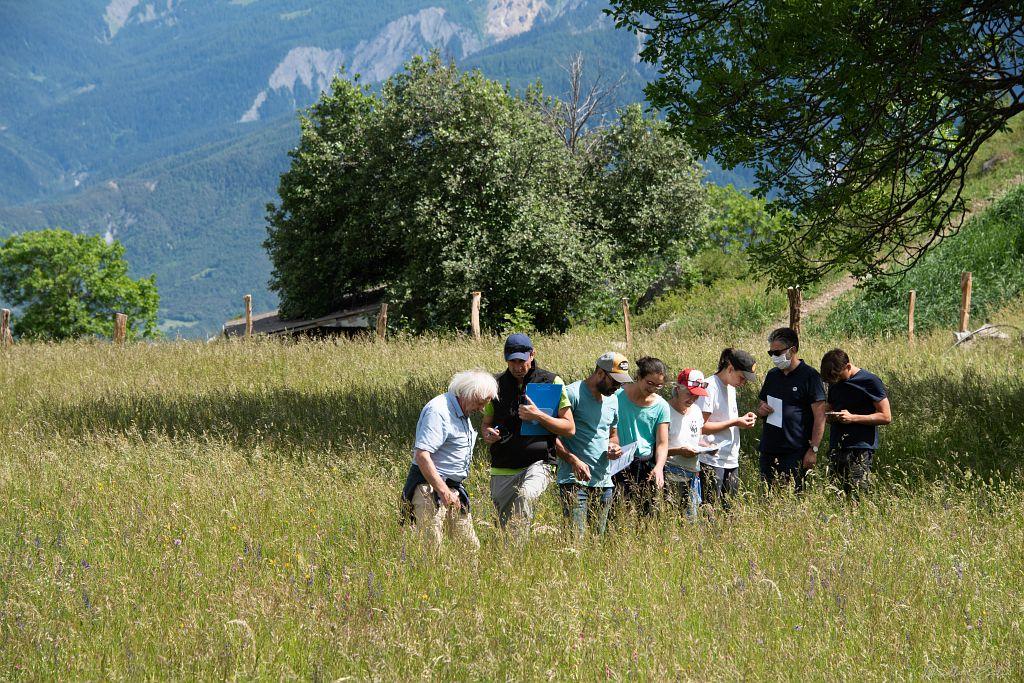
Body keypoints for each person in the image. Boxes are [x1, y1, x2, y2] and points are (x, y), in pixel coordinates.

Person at [480, 333, 575, 532]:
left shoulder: (551, 381)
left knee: (525, 497)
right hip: (503, 465)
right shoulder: (494, 384)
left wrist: (539, 416)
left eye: (521, 361)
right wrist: (488, 434)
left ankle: (516, 550)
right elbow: (486, 423)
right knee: (505, 526)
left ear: (532, 355)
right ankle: (512, 559)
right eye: (511, 361)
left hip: (539, 461)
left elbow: (569, 428)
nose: (516, 366)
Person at [401, 370, 498, 551]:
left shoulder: (462, 411)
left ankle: (469, 580)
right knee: (431, 550)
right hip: (430, 490)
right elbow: (422, 455)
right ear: (469, 394)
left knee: (469, 549)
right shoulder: (438, 411)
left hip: (452, 490)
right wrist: (444, 491)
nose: (481, 409)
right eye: (479, 403)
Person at [554, 352, 630, 536]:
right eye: (615, 381)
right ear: (600, 373)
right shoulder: (571, 393)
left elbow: (613, 434)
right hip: (574, 481)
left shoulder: (613, 399)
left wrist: (613, 446)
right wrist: (573, 461)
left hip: (604, 482)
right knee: (575, 542)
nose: (618, 387)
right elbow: (551, 437)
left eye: (621, 383)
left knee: (597, 543)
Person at [756, 327, 827, 492]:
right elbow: (761, 404)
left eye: (778, 352)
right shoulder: (772, 375)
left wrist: (813, 450)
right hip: (769, 450)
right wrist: (761, 410)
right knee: (768, 498)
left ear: (793, 350)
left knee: (792, 499)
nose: (774, 357)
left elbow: (820, 416)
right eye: (771, 353)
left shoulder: (810, 376)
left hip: (795, 452)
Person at [820, 348, 891, 496]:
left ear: (848, 366)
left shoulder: (870, 381)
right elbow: (833, 405)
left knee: (857, 494)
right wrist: (827, 413)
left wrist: (853, 418)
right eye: (831, 379)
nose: (835, 381)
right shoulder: (834, 381)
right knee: (836, 494)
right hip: (836, 445)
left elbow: (885, 416)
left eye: (837, 376)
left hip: (860, 448)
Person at [698, 348, 759, 509]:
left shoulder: (731, 387)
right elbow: (701, 427)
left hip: (731, 458)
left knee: (729, 510)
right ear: (730, 369)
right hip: (712, 459)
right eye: (742, 377)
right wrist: (735, 422)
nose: (743, 383)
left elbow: (728, 418)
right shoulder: (709, 386)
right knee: (709, 510)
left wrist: (743, 420)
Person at [613, 356, 670, 516]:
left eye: (658, 386)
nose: (652, 388)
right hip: (619, 462)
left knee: (647, 515)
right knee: (617, 512)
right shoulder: (617, 397)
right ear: (638, 377)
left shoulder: (661, 406)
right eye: (649, 383)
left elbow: (662, 443)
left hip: (646, 464)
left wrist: (659, 467)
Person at [665, 368, 710, 521]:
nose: (693, 399)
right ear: (677, 389)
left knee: (691, 524)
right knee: (671, 521)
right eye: (689, 394)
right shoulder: (665, 411)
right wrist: (679, 450)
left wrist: (707, 448)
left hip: (693, 474)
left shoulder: (696, 411)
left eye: (697, 396)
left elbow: (696, 438)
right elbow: (657, 448)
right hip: (670, 475)